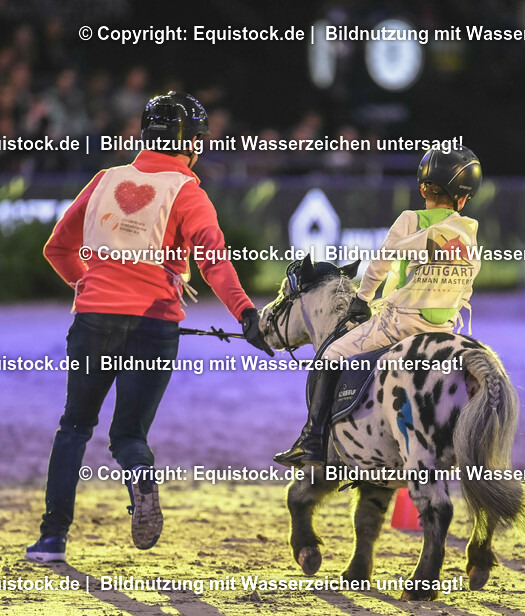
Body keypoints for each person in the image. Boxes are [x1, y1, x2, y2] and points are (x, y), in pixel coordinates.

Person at [26, 92, 273, 562]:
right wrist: (246, 315)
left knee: (74, 427)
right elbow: (213, 263)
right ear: (192, 144)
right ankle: (140, 474)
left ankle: (53, 539)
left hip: (94, 320)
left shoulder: (105, 181)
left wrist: (89, 286)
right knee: (128, 436)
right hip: (155, 326)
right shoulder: (188, 193)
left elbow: (56, 248)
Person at [274, 146, 483, 468]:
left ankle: (311, 441)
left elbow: (380, 264)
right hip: (443, 329)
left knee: (329, 356)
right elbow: (466, 290)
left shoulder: (410, 219)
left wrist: (362, 300)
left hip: (398, 325)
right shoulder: (469, 234)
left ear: (422, 188)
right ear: (465, 197)